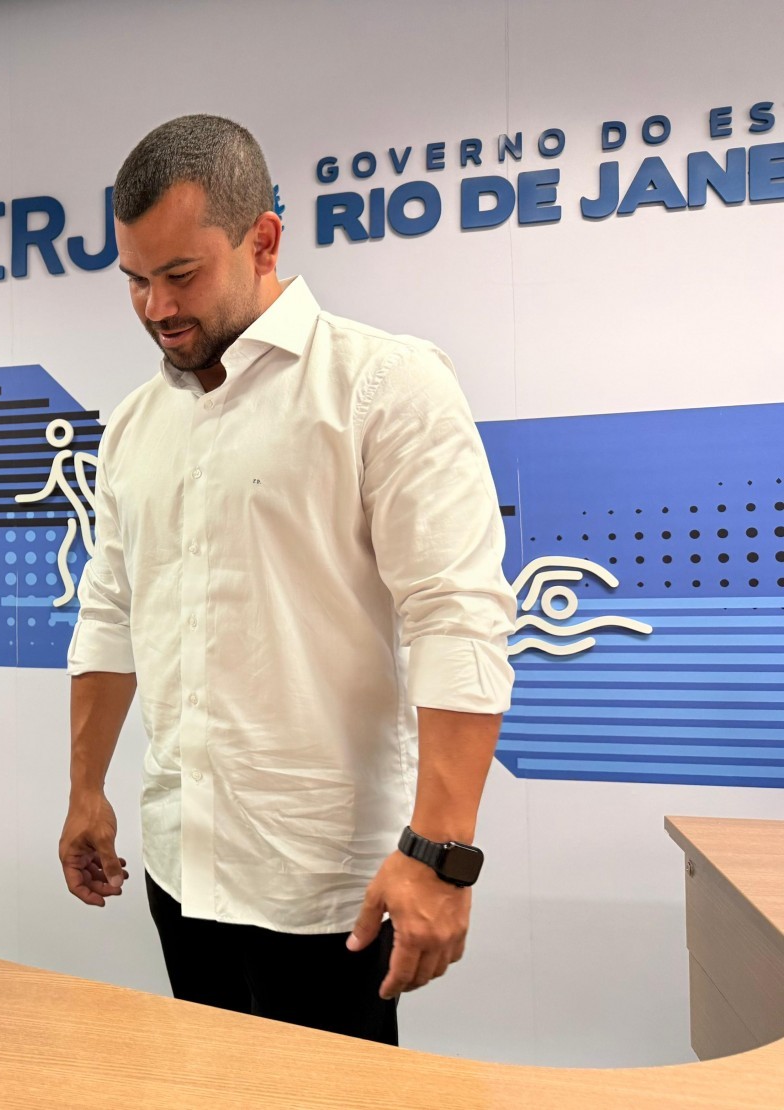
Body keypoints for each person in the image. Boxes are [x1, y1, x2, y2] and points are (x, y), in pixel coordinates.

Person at [58, 115, 516, 1045]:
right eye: (136, 280)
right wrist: (86, 788)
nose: (155, 307)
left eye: (181, 274)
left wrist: (442, 852)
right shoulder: (135, 423)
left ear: (263, 240)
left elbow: (456, 617)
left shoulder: (383, 384)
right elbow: (111, 609)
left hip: (327, 887)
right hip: (181, 868)